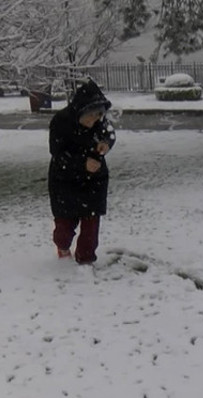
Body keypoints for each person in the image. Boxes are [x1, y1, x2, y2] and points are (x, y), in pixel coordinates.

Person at [48, 79, 116, 264]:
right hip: (65, 182)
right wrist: (82, 164)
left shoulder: (100, 122)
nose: (94, 120)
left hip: (94, 181)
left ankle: (85, 260)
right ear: (81, 111)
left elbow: (109, 132)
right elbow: (57, 154)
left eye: (98, 116)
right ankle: (62, 247)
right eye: (91, 116)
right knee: (64, 227)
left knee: (91, 227)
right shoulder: (60, 122)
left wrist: (106, 144)